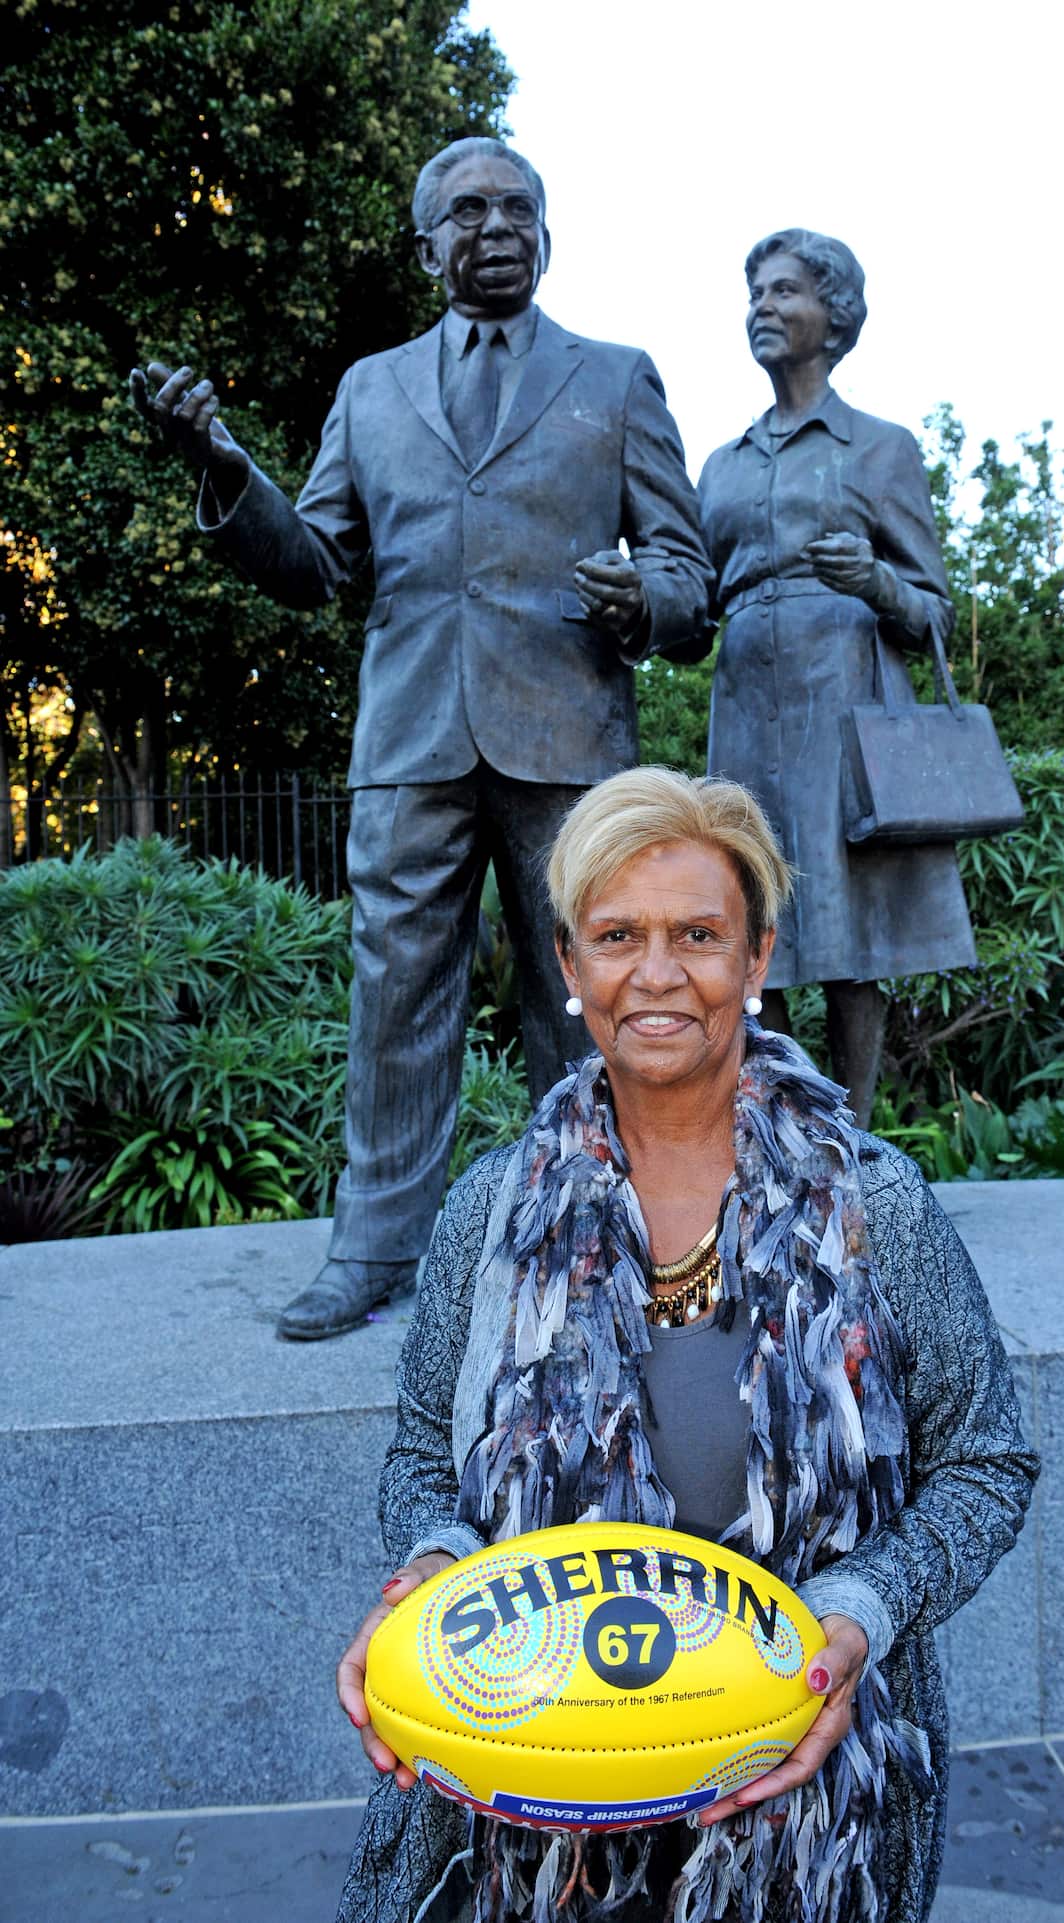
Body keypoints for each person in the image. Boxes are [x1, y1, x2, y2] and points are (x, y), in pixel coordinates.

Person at [334, 766, 1038, 1923]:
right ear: (568, 967)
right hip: (523, 1796)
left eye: (697, 934)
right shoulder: (490, 1212)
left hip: (805, 1807)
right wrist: (426, 1582)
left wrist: (863, 1603)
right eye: (617, 935)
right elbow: (421, 1454)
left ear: (753, 962)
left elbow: (987, 1462)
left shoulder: (873, 1208)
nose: (655, 974)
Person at [129, 137, 711, 1341]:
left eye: (516, 208)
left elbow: (688, 574)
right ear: (426, 243)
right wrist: (225, 469)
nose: (493, 226)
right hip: (409, 747)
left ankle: (608, 1242)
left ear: (547, 237)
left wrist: (644, 600)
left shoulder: (614, 377)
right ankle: (373, 1251)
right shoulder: (370, 391)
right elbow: (316, 569)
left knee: (590, 1000)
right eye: (465, 211)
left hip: (568, 744)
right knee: (394, 998)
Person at [699, 229, 978, 1124]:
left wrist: (874, 579)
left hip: (846, 701)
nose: (764, 309)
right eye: (756, 296)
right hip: (747, 701)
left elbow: (934, 611)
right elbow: (693, 600)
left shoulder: (880, 449)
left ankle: (851, 1135)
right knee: (751, 913)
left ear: (835, 314)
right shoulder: (724, 464)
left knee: (850, 924)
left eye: (785, 292)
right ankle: (776, 1128)